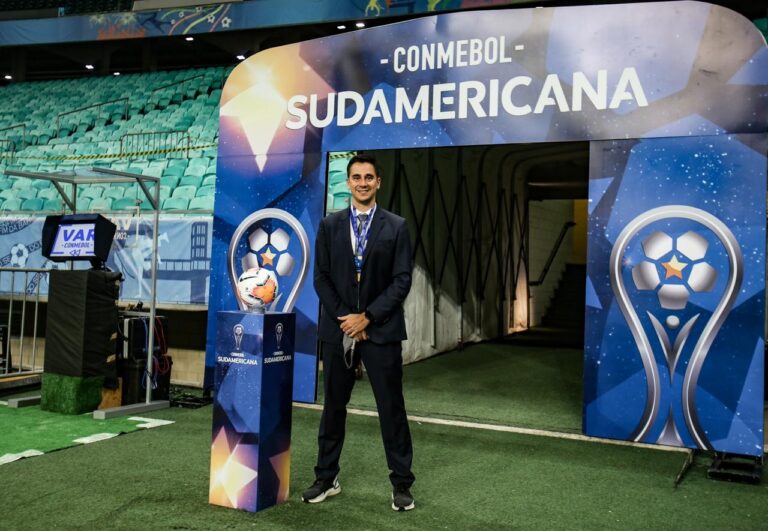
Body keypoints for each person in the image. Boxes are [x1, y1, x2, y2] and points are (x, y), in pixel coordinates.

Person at [302, 153, 416, 511]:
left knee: (391, 410)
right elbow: (320, 277)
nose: (362, 183)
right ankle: (326, 477)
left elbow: (402, 280)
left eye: (369, 177)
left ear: (378, 182)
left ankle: (401, 484)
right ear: (347, 182)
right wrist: (346, 319)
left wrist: (366, 318)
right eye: (356, 177)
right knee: (333, 407)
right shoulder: (329, 225)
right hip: (339, 333)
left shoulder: (396, 226)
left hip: (380, 332)